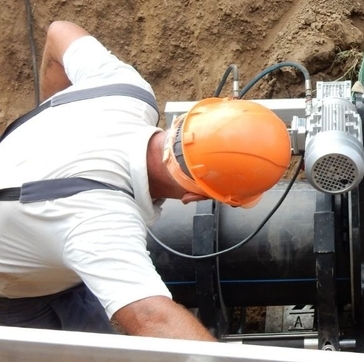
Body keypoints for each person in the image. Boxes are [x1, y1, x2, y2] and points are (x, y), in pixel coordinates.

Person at [0, 21, 292, 339]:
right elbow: (153, 319)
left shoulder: (124, 89)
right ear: (195, 197)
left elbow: (59, 31)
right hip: (17, 297)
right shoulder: (99, 223)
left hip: (41, 252)